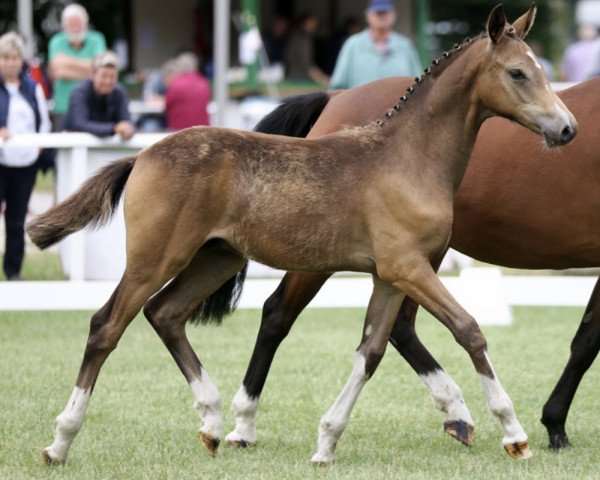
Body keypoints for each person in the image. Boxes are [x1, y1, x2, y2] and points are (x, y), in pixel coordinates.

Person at [0, 32, 51, 281]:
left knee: (16, 220)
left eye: (15, 57)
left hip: (25, 163)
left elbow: (43, 122)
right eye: (5, 57)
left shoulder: (33, 88)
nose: (10, 62)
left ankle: (13, 271)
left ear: (22, 60)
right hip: (1, 161)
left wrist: (38, 148)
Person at [329, 0, 422, 90]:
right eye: (378, 12)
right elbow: (337, 87)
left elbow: (419, 85)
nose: (382, 16)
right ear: (367, 15)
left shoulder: (405, 46)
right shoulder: (352, 45)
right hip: (362, 105)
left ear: (394, 14)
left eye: (385, 12)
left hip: (400, 105)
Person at [48, 3, 107, 128]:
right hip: (64, 106)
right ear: (64, 25)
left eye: (77, 23)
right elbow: (58, 72)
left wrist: (67, 62)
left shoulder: (97, 39)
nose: (74, 27)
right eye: (71, 23)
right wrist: (89, 68)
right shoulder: (56, 41)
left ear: (85, 23)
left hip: (92, 105)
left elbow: (101, 68)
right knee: (63, 146)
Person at [63, 51, 133, 139]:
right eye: (104, 76)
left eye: (112, 77)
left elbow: (126, 121)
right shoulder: (80, 92)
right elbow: (78, 124)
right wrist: (113, 128)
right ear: (93, 74)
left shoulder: (119, 92)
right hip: (74, 147)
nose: (108, 82)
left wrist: (126, 129)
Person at [165, 52, 211, 130]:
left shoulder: (176, 84)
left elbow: (167, 104)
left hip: (179, 131)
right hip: (202, 130)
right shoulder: (204, 83)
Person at [284, 12, 329, 86]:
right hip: (298, 78)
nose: (315, 25)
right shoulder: (300, 39)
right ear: (304, 22)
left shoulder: (306, 37)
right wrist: (322, 78)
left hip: (299, 76)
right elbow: (306, 64)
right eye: (312, 22)